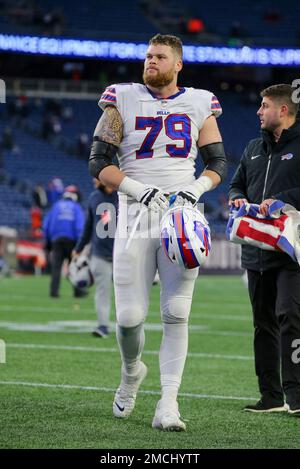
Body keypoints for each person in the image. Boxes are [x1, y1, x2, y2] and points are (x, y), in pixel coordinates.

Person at [89, 34, 227, 430]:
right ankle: (132, 371)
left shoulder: (201, 101)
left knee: (176, 311)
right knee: (130, 317)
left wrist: (196, 188)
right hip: (133, 214)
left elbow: (217, 161)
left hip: (181, 215)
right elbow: (98, 161)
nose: (151, 61)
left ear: (177, 63)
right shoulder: (122, 97)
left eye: (159, 56)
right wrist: (136, 188)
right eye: (148, 55)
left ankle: (169, 403)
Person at [229, 83, 300, 415]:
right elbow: (236, 182)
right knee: (263, 323)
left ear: (283, 111)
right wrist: (237, 197)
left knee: (291, 316)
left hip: (289, 249)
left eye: (265, 105)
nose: (259, 111)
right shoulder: (252, 148)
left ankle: (296, 395)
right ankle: (271, 395)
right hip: (256, 249)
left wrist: (286, 201)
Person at [73, 178, 118, 338]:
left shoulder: (124, 196)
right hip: (99, 254)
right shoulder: (94, 197)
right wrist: (78, 249)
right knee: (102, 291)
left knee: (128, 292)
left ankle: (129, 325)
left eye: (97, 176)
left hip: (123, 254)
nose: (93, 179)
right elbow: (88, 226)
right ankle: (103, 326)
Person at [43, 185, 85, 298]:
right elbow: (80, 227)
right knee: (74, 267)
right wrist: (80, 244)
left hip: (56, 241)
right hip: (72, 241)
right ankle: (78, 292)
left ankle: (54, 292)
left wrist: (47, 242)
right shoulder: (76, 207)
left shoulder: (56, 206)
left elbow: (46, 225)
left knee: (56, 267)